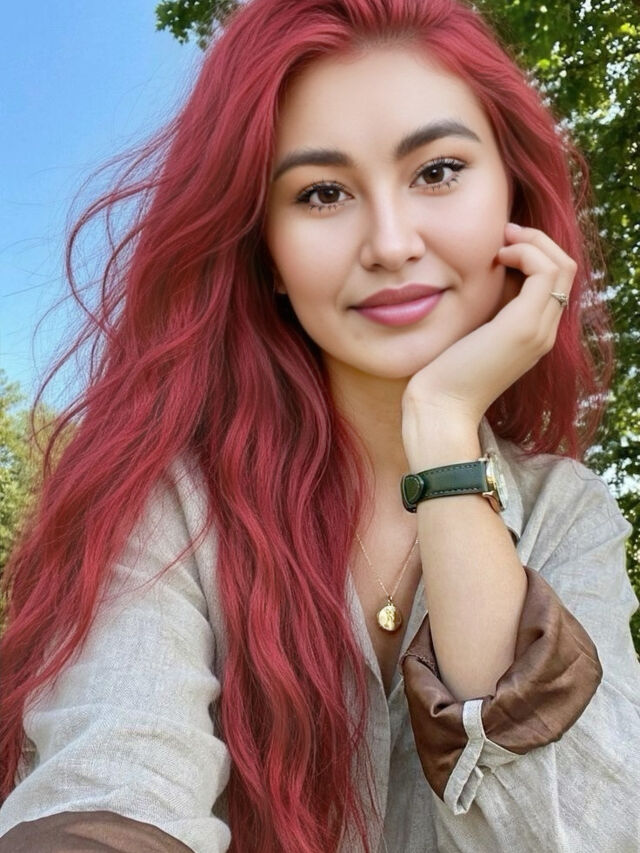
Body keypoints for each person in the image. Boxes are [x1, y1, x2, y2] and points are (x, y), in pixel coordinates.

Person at [0, 0, 638, 850]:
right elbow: (111, 789)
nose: (391, 242)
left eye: (438, 171)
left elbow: (583, 833)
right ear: (265, 251)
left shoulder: (570, 514)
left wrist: (443, 426)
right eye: (322, 193)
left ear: (513, 198)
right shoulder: (167, 501)